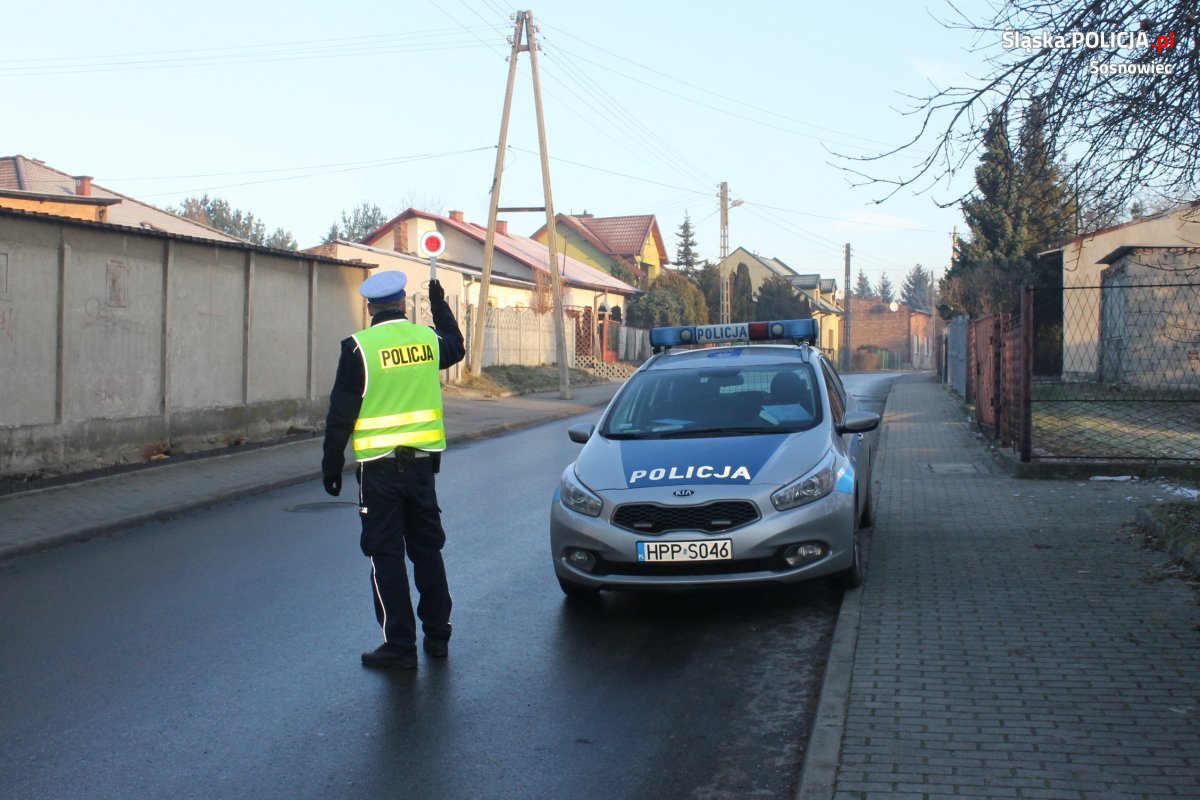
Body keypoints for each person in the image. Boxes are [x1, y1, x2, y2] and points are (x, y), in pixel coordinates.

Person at [322, 271, 466, 669]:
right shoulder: (427, 341)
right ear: (404, 303)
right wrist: (439, 305)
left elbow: (340, 414)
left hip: (379, 473)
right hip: (422, 468)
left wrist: (331, 464)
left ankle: (400, 646)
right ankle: (438, 636)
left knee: (386, 555)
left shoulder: (358, 350)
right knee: (428, 552)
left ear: (369, 308)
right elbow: (457, 345)